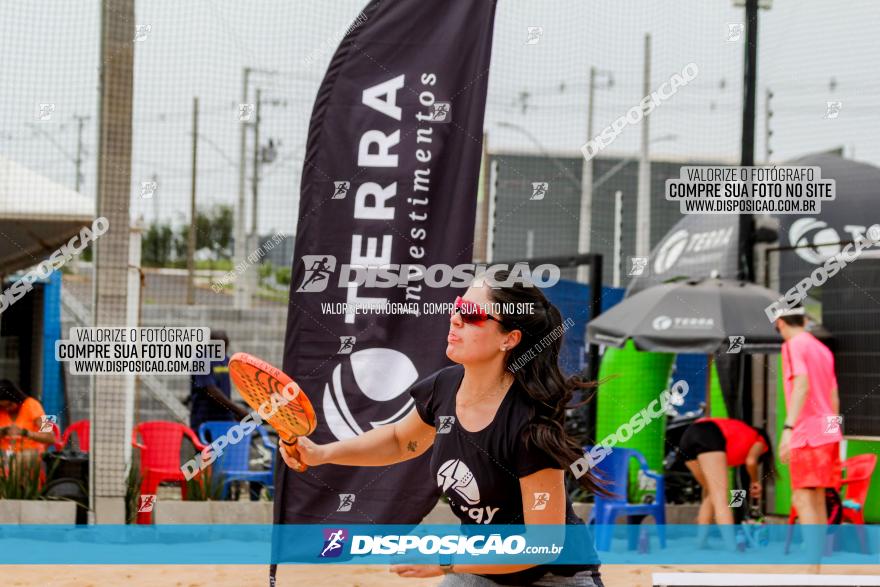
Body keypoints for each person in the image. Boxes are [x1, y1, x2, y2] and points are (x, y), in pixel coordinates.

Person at [279, 271, 605, 586]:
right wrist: (321, 453)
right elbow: (398, 440)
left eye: (472, 314)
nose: (456, 318)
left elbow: (542, 545)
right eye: (457, 306)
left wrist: (443, 562)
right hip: (484, 570)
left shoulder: (528, 425)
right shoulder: (444, 388)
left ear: (509, 338)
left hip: (554, 577)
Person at [774, 307, 842, 526]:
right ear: (803, 320)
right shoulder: (823, 350)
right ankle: (815, 561)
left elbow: (801, 385)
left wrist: (788, 429)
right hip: (827, 435)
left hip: (807, 436)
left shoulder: (793, 345)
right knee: (817, 498)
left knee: (802, 498)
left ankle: (812, 560)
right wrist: (833, 436)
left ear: (780, 323)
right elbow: (834, 399)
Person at [678, 416, 775, 547]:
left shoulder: (737, 441)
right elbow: (751, 462)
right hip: (709, 433)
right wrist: (755, 482)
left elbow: (738, 482)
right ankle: (731, 545)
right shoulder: (759, 440)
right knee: (720, 497)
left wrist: (739, 498)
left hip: (688, 437)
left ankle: (701, 541)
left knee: (710, 493)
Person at [189, 330, 263, 500]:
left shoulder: (225, 360)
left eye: (224, 344)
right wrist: (238, 410)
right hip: (204, 421)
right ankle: (197, 498)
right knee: (203, 461)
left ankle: (223, 499)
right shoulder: (202, 359)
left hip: (224, 421)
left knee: (224, 462)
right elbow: (212, 391)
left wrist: (237, 411)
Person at [0, 379, 56, 453]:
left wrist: (26, 433)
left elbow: (51, 438)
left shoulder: (33, 405)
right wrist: (2, 432)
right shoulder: (1, 410)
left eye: (10, 404)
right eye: (3, 407)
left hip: (29, 457)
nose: (7, 409)